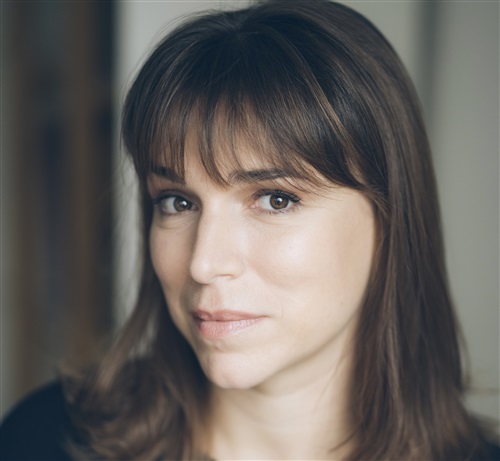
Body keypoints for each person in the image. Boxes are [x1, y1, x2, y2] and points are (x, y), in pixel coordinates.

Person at [1, 1, 499, 460]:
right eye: (177, 202)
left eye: (276, 199)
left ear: (389, 218)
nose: (203, 263)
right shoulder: (43, 441)